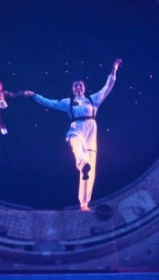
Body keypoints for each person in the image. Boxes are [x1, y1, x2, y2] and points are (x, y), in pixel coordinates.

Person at [24, 59, 121, 211]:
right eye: (75, 86)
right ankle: (83, 164)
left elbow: (107, 87)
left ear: (84, 88)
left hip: (91, 132)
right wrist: (34, 95)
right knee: (78, 143)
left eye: (80, 85)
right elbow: (49, 102)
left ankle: (84, 203)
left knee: (91, 168)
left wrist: (114, 69)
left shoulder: (93, 99)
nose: (78, 87)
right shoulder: (67, 102)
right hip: (76, 129)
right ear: (72, 89)